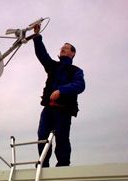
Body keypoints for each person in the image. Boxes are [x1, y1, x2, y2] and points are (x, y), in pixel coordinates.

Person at [32, 25, 85, 167]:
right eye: (62, 47)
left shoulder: (76, 71)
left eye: (66, 47)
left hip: (64, 110)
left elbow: (80, 86)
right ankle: (43, 164)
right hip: (48, 109)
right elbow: (42, 55)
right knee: (42, 136)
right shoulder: (53, 66)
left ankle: (63, 166)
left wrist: (61, 91)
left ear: (72, 53)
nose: (62, 48)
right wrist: (37, 37)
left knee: (62, 138)